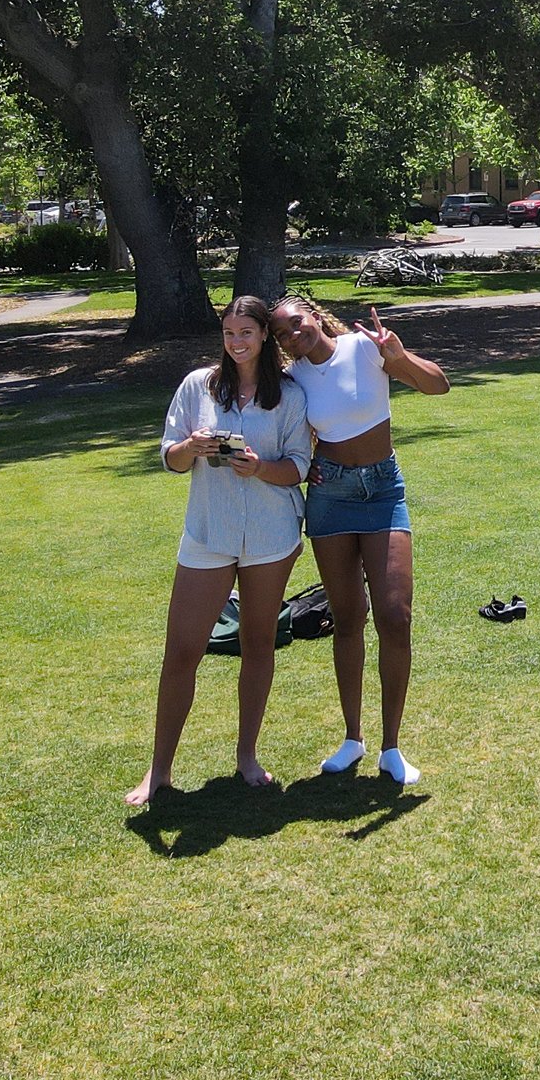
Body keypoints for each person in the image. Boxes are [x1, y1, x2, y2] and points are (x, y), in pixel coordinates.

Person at [127, 295, 313, 806]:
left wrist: (260, 467)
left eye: (246, 334)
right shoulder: (197, 386)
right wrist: (193, 447)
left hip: (271, 539)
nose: (236, 343)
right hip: (208, 534)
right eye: (229, 333)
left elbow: (299, 465)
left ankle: (246, 756)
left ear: (263, 339)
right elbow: (170, 457)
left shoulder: (289, 396)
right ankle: (159, 770)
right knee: (182, 650)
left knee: (258, 646)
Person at [271, 295, 450, 787]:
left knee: (395, 614)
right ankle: (353, 738)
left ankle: (392, 747)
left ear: (312, 314)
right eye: (282, 334)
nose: (292, 335)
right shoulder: (293, 381)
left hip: (383, 491)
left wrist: (399, 357)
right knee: (347, 618)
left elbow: (438, 385)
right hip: (330, 495)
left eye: (295, 323)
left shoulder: (365, 347)